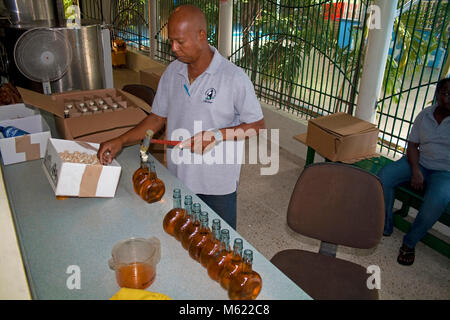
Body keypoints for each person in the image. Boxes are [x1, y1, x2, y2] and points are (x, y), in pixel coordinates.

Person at [97, 5, 265, 229]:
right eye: (171, 42)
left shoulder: (233, 78)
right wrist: (121, 140)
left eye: (180, 42)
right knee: (183, 239)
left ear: (201, 35)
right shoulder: (172, 73)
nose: (174, 48)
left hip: (216, 185)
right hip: (178, 176)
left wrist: (216, 135)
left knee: (220, 247)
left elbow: (257, 125)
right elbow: (156, 119)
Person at [378, 77, 450, 266]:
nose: (448, 98)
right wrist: (416, 170)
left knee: (437, 202)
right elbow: (412, 146)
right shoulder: (425, 115)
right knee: (384, 177)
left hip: (445, 172)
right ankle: (385, 225)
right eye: (445, 93)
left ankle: (409, 243)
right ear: (438, 94)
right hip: (419, 161)